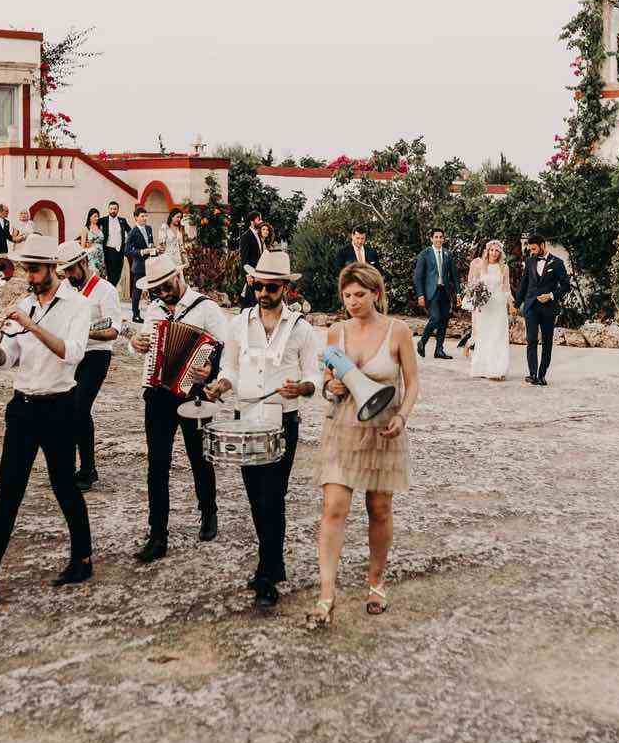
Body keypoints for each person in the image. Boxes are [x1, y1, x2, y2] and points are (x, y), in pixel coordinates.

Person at [0, 236, 96, 602]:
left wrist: (30, 326)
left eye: (34, 269)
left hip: (60, 406)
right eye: (27, 269)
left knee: (64, 486)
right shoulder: (26, 304)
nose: (29, 277)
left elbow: (72, 353)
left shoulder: (78, 306)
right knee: (8, 491)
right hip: (23, 407)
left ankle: (83, 556)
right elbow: (11, 358)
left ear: (52, 268)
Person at [308, 263, 419, 628]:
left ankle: (376, 583)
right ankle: (327, 595)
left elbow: (412, 382)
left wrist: (402, 417)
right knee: (334, 507)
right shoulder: (335, 333)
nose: (353, 301)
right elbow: (326, 380)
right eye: (347, 295)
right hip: (342, 428)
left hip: (383, 430)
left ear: (375, 293)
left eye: (359, 294)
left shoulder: (397, 330)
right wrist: (330, 387)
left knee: (379, 509)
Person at [207, 251, 319, 609]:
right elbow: (230, 366)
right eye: (258, 286)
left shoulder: (301, 329)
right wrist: (222, 384)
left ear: (285, 288)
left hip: (283, 420)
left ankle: (267, 573)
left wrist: (300, 388)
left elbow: (313, 375)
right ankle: (274, 562)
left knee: (274, 496)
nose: (263, 293)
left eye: (271, 287)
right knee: (256, 497)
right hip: (246, 418)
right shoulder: (239, 324)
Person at [130, 253, 228, 563]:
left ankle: (208, 511)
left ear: (179, 276)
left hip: (194, 393)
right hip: (158, 393)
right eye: (155, 290)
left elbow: (226, 350)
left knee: (199, 456)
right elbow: (143, 347)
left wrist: (210, 371)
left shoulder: (206, 308)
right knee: (157, 464)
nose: (161, 294)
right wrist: (136, 344)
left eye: (164, 287)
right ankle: (158, 534)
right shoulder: (153, 310)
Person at [63, 236, 123, 492]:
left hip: (97, 354)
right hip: (72, 353)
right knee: (66, 410)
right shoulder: (65, 289)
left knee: (80, 407)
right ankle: (69, 466)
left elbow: (113, 330)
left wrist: (85, 332)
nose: (68, 275)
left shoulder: (105, 290)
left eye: (71, 269)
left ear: (84, 262)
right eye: (64, 271)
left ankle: (88, 468)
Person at [514, 234, 570, 387]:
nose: (531, 251)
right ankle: (532, 374)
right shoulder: (530, 260)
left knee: (547, 342)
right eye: (530, 249)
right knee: (531, 340)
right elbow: (524, 284)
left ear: (542, 245)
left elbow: (566, 286)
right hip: (531, 306)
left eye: (534, 248)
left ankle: (542, 375)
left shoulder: (557, 263)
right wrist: (517, 303)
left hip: (548, 308)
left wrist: (551, 295)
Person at [466, 240, 512, 381]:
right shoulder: (480, 265)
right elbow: (472, 284)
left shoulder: (504, 268)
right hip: (484, 307)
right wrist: (473, 299)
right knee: (484, 335)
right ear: (487, 251)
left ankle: (497, 369)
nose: (494, 253)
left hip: (498, 305)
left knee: (498, 336)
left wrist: (511, 303)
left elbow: (506, 288)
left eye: (497, 251)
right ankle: (482, 367)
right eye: (491, 250)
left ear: (500, 253)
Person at [412, 228, 458, 359]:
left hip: (445, 291)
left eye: (441, 237)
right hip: (431, 292)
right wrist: (420, 294)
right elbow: (417, 277)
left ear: (443, 239)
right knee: (435, 318)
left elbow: (454, 276)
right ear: (431, 238)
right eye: (436, 237)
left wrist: (458, 293)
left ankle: (439, 350)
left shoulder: (448, 254)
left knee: (444, 320)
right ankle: (423, 341)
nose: (439, 239)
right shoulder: (424, 254)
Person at [125, 207, 158, 323]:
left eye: (146, 216)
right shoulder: (132, 232)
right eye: (142, 216)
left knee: (153, 290)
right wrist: (141, 252)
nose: (145, 218)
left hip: (150, 265)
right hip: (139, 266)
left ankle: (156, 313)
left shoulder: (149, 229)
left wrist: (154, 249)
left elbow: (151, 243)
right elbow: (127, 250)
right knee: (137, 292)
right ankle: (136, 315)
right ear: (136, 218)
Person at [98, 201, 130, 290]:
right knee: (111, 273)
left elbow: (130, 232)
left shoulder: (122, 220)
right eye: (111, 209)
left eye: (115, 209)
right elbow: (92, 225)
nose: (113, 211)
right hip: (109, 250)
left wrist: (128, 244)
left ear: (118, 210)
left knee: (118, 273)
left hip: (120, 250)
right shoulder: (103, 220)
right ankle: (110, 290)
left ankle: (111, 289)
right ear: (108, 209)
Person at [239, 213, 264, 308]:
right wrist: (247, 274)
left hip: (258, 274)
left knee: (254, 303)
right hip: (251, 274)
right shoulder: (246, 236)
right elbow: (244, 258)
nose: (260, 221)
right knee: (249, 303)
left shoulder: (258, 235)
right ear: (252, 221)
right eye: (258, 219)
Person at [80, 207, 107, 280]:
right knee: (94, 277)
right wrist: (87, 245)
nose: (97, 218)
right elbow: (82, 247)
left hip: (101, 256)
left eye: (98, 216)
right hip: (92, 257)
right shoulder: (86, 229)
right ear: (90, 217)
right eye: (95, 216)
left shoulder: (100, 228)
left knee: (102, 277)